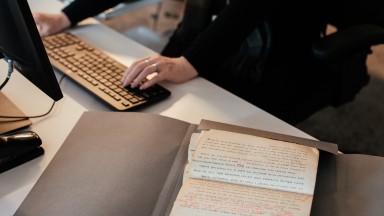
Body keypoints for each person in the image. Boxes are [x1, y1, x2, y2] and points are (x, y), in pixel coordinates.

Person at [33, 0, 375, 124]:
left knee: (182, 127)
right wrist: (67, 16)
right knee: (145, 111)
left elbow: (250, 8)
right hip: (212, 36)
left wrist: (188, 63)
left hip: (277, 58)